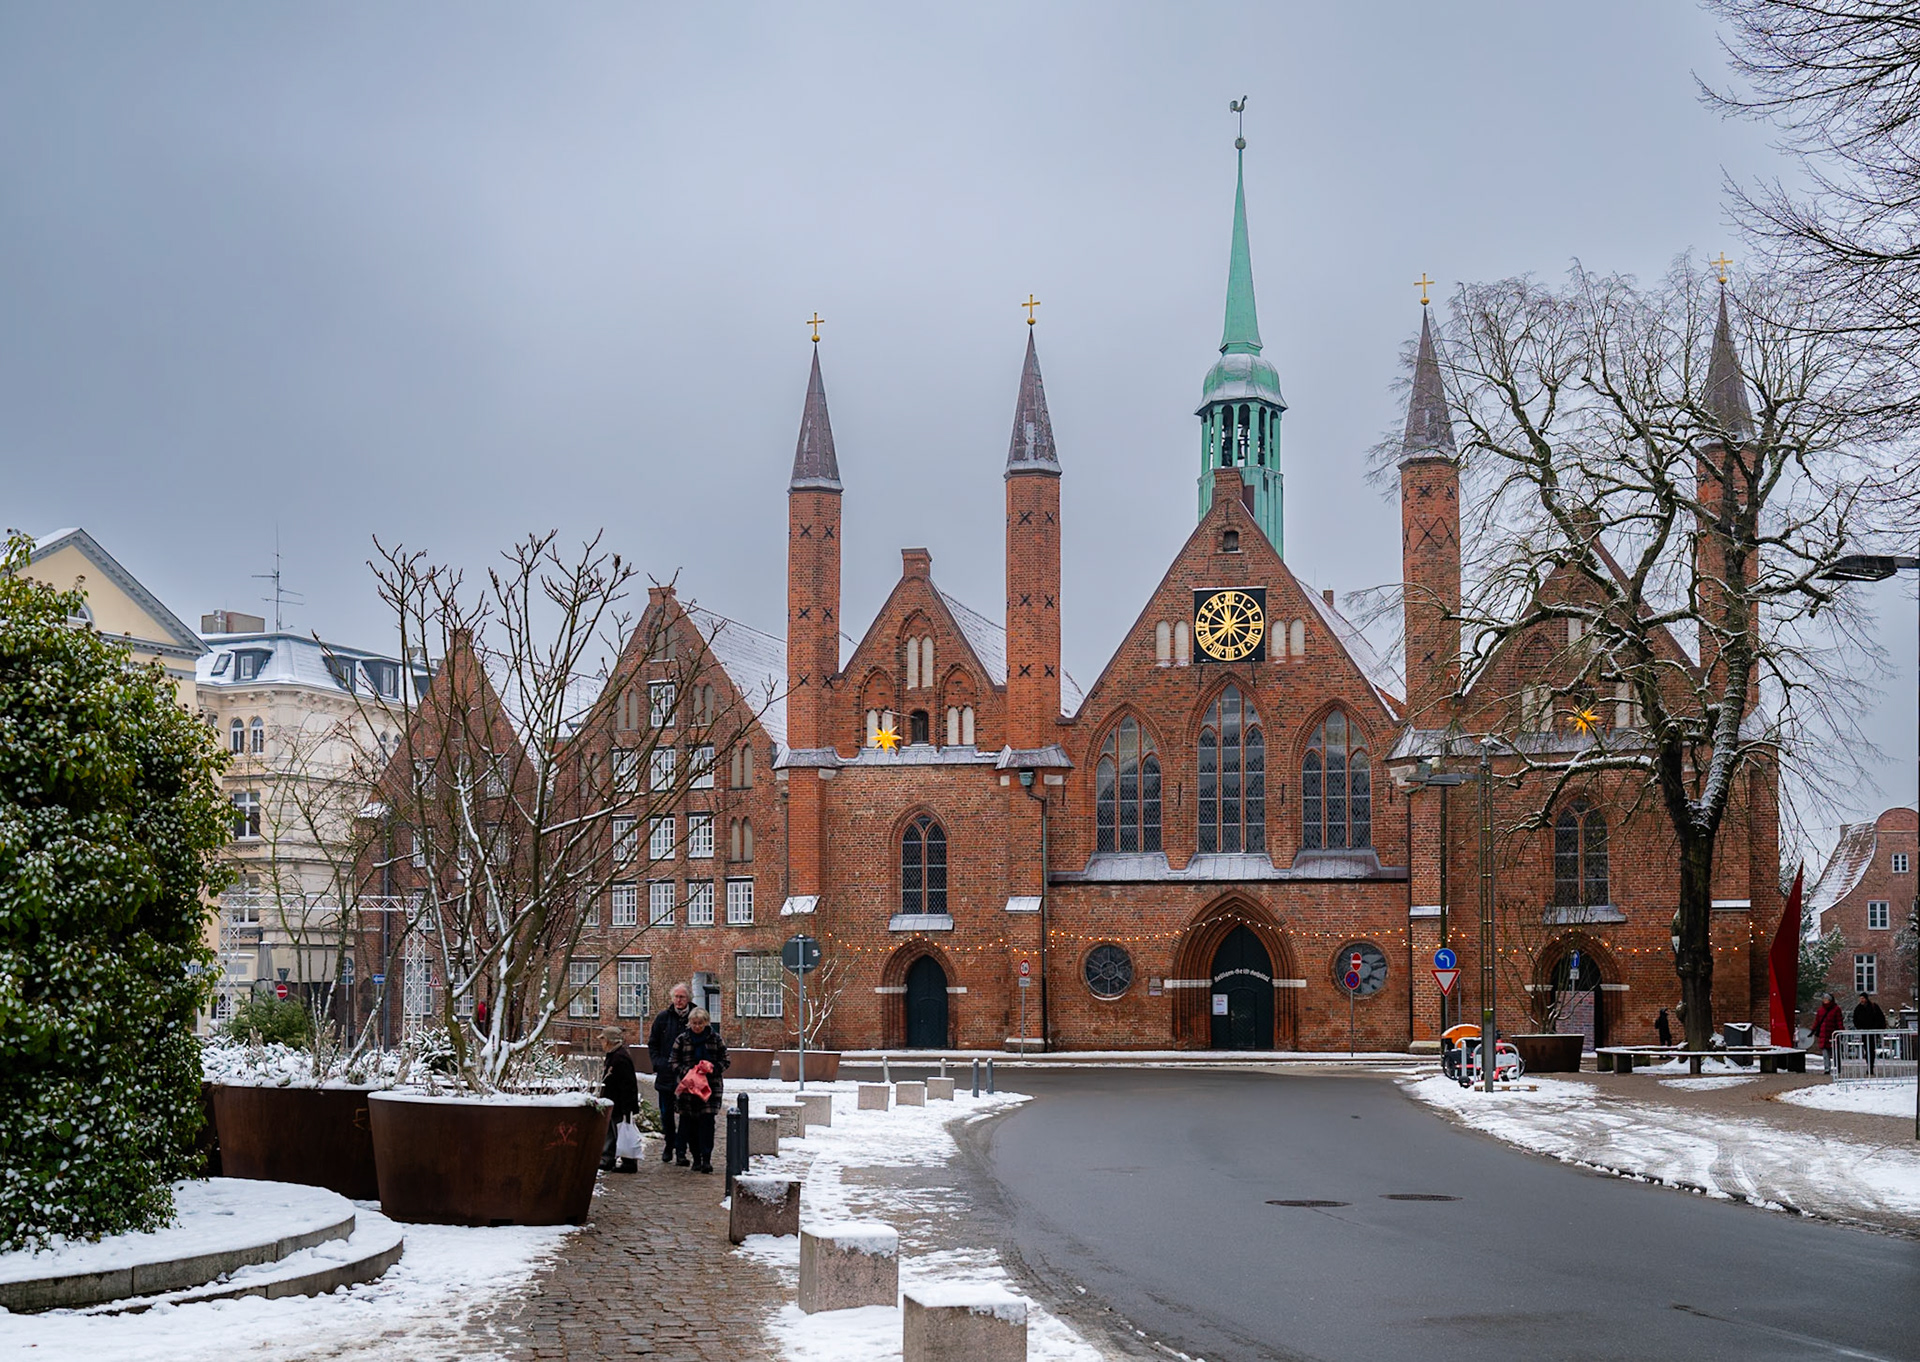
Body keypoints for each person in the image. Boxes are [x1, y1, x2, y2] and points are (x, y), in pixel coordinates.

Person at [668, 1007, 730, 1174]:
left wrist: (713, 1068)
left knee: (707, 1123)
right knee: (691, 1123)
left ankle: (706, 1158)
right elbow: (673, 1061)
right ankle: (696, 1157)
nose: (697, 1027)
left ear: (706, 1023)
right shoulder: (682, 1039)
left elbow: (725, 1060)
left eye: (700, 1024)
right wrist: (687, 1072)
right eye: (694, 1023)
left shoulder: (715, 1039)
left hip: (710, 1088)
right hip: (689, 1090)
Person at [648, 982, 694, 1166]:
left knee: (686, 1114)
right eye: (676, 997)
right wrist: (658, 1063)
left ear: (688, 998)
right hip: (666, 1074)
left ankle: (681, 1151)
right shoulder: (663, 1018)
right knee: (666, 1113)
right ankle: (669, 1143)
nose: (679, 1000)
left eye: (682, 997)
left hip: (687, 1075)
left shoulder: (696, 1016)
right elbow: (653, 1043)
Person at [599, 1026, 640, 1174]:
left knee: (621, 1132)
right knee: (612, 1131)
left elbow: (627, 1085)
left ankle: (628, 1161)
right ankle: (608, 1158)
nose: (601, 1043)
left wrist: (627, 1107)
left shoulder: (619, 1058)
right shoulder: (614, 1055)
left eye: (603, 1039)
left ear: (609, 1041)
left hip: (620, 1103)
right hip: (613, 1102)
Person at [1852, 992, 1889, 1074]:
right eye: (1860, 998)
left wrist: (1879, 1028)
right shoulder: (1858, 1008)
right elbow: (1855, 1019)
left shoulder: (1873, 1007)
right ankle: (1869, 1065)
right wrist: (1859, 1027)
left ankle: (1871, 1066)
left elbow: (1880, 1018)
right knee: (1867, 1049)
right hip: (1864, 1032)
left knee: (1871, 1049)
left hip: (1873, 1031)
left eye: (1863, 998)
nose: (1861, 1000)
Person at [1812, 992, 1846, 1066]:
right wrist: (1813, 1030)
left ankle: (1837, 1066)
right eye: (1824, 999)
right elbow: (1817, 1021)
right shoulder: (1820, 1010)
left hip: (1832, 1033)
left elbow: (1839, 1021)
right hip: (1823, 1033)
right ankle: (1827, 1067)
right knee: (1825, 1052)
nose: (1825, 1000)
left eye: (1826, 999)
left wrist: (1841, 1031)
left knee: (1835, 1051)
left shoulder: (1836, 1009)